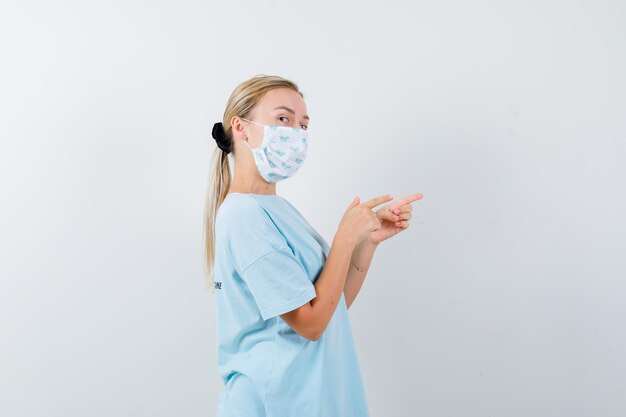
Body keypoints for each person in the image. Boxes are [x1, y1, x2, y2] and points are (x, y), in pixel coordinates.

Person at [203, 74, 423, 416]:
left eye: (303, 125)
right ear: (241, 127)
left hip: (309, 398)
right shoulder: (243, 215)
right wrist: (344, 238)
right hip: (274, 402)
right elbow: (311, 324)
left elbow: (330, 309)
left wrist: (365, 244)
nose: (295, 133)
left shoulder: (277, 210)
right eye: (283, 119)